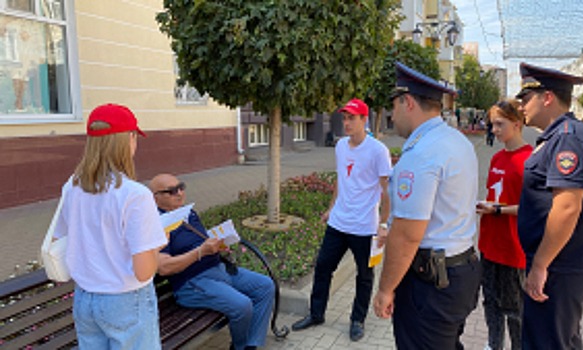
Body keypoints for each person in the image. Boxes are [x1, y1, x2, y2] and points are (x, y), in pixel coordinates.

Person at [373, 62, 481, 349]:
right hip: (461, 270)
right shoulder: (456, 140)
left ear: (408, 102)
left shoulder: (422, 153)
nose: (391, 116)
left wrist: (385, 289)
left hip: (431, 285)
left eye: (393, 107)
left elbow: (408, 235)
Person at [53, 104, 168, 349]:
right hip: (126, 299)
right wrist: (160, 240)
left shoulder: (72, 187)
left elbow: (63, 238)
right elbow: (144, 272)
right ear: (128, 139)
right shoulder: (135, 194)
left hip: (85, 299)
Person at [515, 63, 583, 349]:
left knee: (547, 342)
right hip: (562, 265)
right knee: (560, 340)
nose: (520, 106)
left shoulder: (568, 138)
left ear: (547, 98)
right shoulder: (559, 136)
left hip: (560, 268)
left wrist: (541, 266)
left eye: (525, 98)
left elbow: (567, 207)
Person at [291, 98, 391, 342]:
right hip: (338, 222)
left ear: (364, 120)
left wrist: (384, 223)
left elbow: (387, 191)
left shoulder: (378, 151)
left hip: (365, 227)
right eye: (344, 118)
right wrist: (330, 208)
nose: (346, 123)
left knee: (364, 276)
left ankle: (357, 320)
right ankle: (316, 314)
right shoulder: (340, 146)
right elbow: (341, 179)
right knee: (323, 267)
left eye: (352, 118)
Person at [151, 174, 274, 350]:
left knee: (265, 286)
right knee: (242, 305)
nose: (179, 193)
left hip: (219, 269)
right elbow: (163, 267)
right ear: (155, 198)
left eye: (181, 186)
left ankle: (251, 343)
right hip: (193, 282)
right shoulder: (158, 225)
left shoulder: (187, 213)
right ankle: (240, 347)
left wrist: (217, 243)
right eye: (171, 191)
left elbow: (197, 240)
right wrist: (200, 252)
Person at [476, 99, 533, 350]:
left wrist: (498, 209)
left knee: (515, 310)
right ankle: (493, 344)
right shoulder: (497, 157)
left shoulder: (530, 160)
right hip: (489, 245)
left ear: (517, 123)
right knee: (490, 303)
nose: (495, 130)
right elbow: (497, 195)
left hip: (513, 248)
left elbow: (533, 208)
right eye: (492, 124)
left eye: (500, 124)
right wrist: (486, 206)